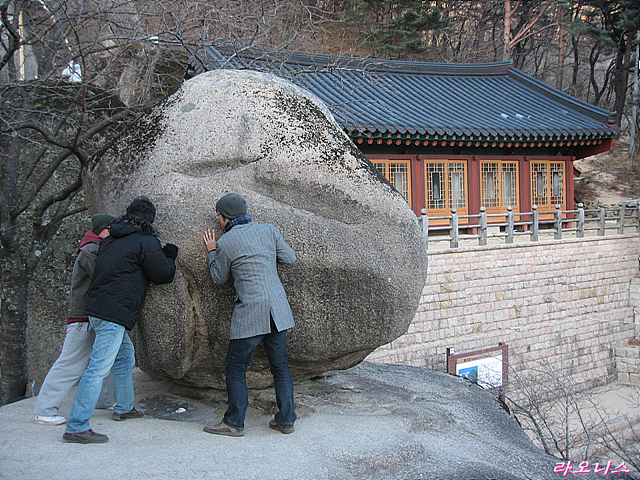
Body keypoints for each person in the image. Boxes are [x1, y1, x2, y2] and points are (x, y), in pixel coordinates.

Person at [62, 197, 178, 444]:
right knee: (98, 368)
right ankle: (77, 425)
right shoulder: (146, 241)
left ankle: (124, 407)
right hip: (114, 313)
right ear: (150, 220)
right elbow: (162, 275)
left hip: (97, 310)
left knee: (125, 357)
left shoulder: (110, 239)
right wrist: (170, 255)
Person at [202, 193, 297, 437]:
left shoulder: (226, 241)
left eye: (218, 216)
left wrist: (212, 251)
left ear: (223, 218)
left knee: (235, 366)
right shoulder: (268, 230)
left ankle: (234, 422)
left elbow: (218, 277)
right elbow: (290, 258)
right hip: (278, 310)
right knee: (280, 367)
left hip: (251, 312)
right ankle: (286, 420)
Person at [33, 214, 115, 425]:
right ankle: (45, 409)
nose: (113, 232)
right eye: (110, 229)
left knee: (103, 359)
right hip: (82, 317)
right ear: (101, 230)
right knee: (71, 362)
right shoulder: (91, 250)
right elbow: (103, 276)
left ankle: (104, 400)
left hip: (93, 315)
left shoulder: (95, 247)